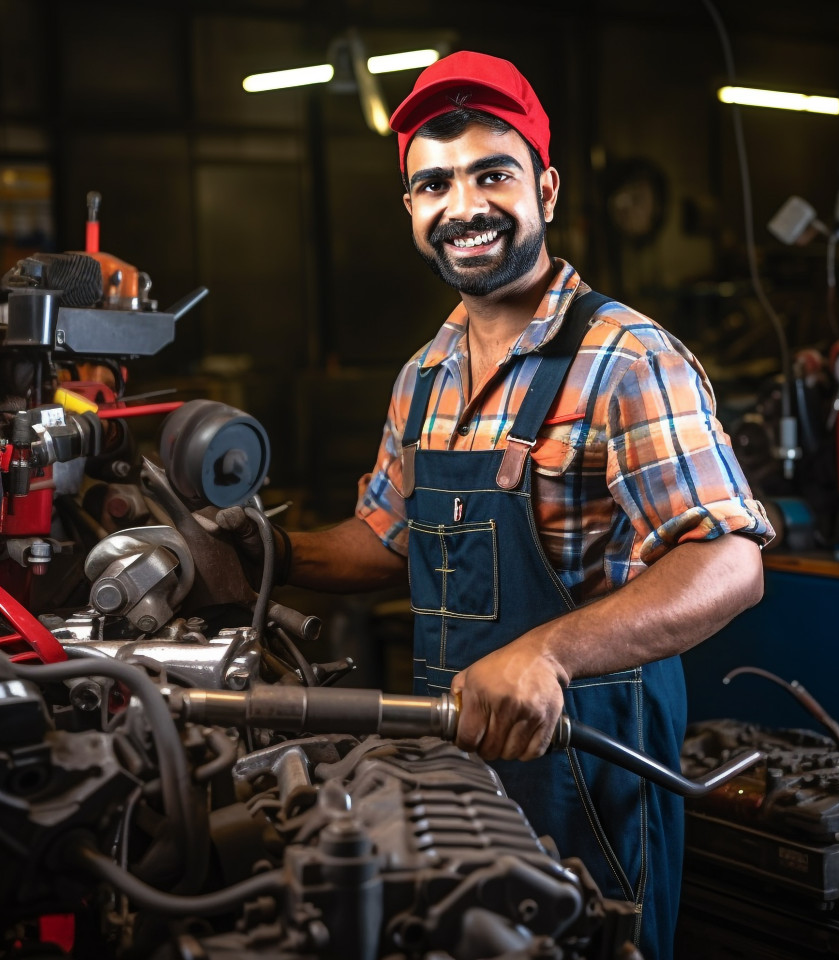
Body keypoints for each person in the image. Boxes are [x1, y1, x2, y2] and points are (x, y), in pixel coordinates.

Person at [252, 51, 774, 958]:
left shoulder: (627, 358)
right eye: (435, 184)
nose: (465, 207)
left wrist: (548, 653)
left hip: (587, 778)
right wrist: (263, 554)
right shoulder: (425, 375)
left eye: (493, 173)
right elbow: (386, 541)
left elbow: (730, 562)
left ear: (546, 187)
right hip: (445, 767)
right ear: (411, 208)